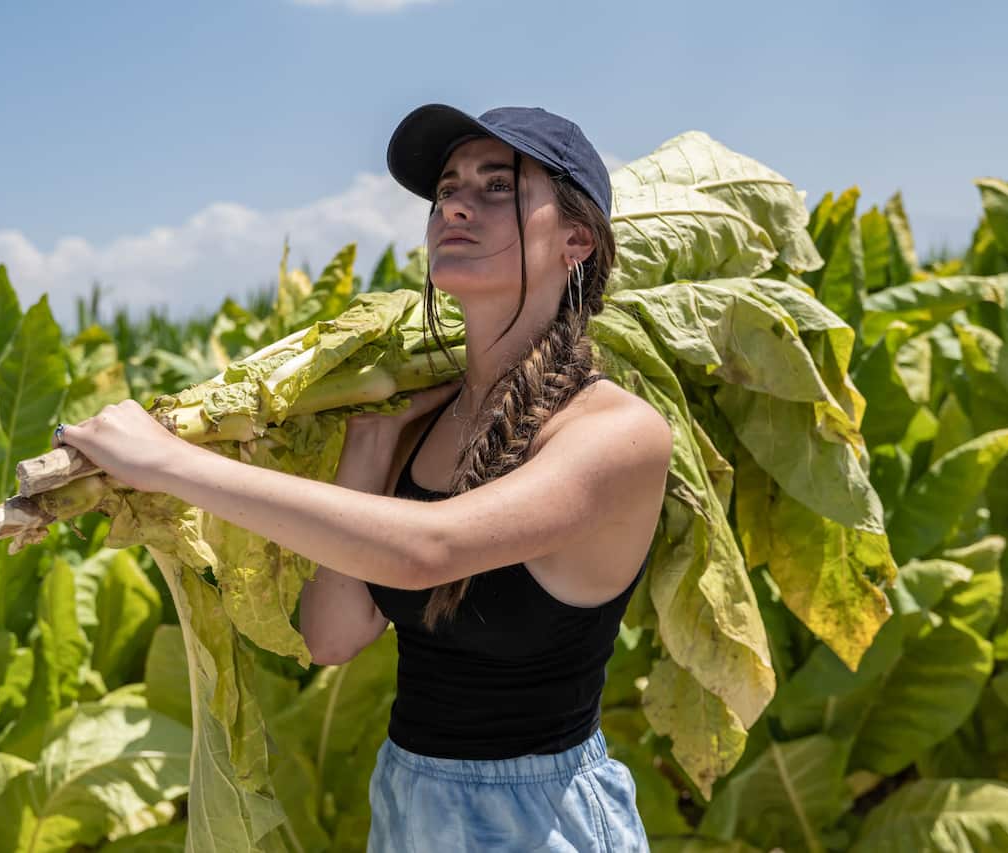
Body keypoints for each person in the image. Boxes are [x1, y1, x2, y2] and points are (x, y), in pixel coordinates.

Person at [55, 103, 672, 852]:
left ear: (577, 239)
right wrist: (370, 446)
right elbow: (334, 634)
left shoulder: (616, 433)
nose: (455, 203)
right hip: (407, 803)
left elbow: (429, 549)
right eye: (447, 188)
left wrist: (170, 463)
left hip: (541, 821)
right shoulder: (420, 422)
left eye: (496, 186)